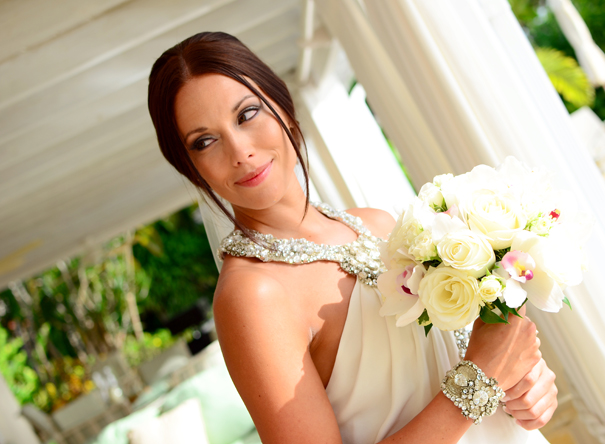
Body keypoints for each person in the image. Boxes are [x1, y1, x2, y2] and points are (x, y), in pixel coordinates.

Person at [147, 31, 558, 443]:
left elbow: (471, 359)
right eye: (204, 142)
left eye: (247, 114)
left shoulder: (380, 224)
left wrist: (528, 384)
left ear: (283, 107)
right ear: (191, 168)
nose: (239, 151)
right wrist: (480, 382)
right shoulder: (253, 296)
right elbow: (477, 375)